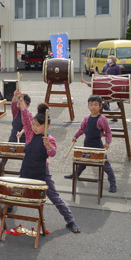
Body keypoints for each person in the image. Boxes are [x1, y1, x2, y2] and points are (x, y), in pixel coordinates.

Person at [17, 99, 81, 233]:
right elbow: (25, 115)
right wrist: (21, 101)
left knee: (55, 197)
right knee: (16, 193)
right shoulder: (29, 134)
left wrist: (48, 146)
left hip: (41, 173)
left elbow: (52, 153)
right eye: (33, 124)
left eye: (38, 125)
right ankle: (9, 209)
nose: (34, 127)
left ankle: (70, 220)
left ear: (47, 126)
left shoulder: (49, 139)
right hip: (27, 170)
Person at [65, 95, 116, 193]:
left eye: (96, 105)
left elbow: (108, 132)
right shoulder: (86, 118)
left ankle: (113, 184)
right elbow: (82, 129)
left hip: (97, 145)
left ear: (100, 106)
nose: (93, 107)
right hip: (87, 144)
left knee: (106, 165)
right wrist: (76, 136)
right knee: (82, 162)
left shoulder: (102, 119)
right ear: (88, 106)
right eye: (91, 105)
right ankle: (75, 175)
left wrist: (107, 142)